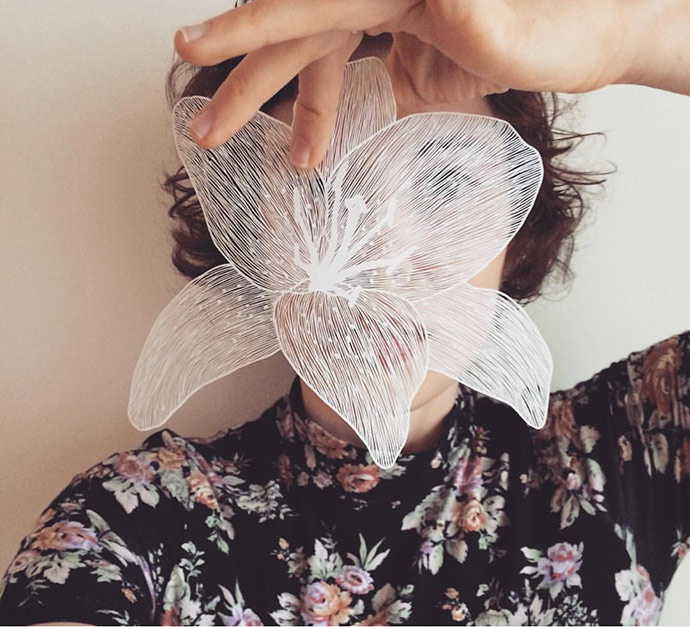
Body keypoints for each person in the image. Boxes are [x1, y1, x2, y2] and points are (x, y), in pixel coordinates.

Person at [1, 1, 688, 625]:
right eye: (317, 184)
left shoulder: (618, 463)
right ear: (245, 229)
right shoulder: (135, 522)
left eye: (447, 182)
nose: (384, 258)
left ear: (518, 222)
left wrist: (628, 35)